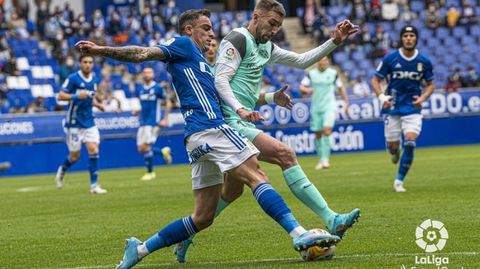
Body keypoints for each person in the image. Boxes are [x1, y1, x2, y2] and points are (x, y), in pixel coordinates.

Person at [76, 9, 340, 269]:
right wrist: (100, 50)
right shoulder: (182, 45)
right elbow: (143, 53)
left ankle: (140, 249)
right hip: (211, 128)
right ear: (189, 29)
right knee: (257, 175)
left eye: (212, 29)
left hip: (197, 139)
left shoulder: (202, 64)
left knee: (202, 218)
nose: (212, 34)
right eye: (206, 28)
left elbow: (227, 92)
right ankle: (298, 233)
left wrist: (267, 98)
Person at [175, 0, 360, 263]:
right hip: (228, 122)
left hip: (240, 120)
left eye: (278, 26)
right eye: (271, 23)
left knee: (232, 192)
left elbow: (302, 60)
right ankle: (331, 218)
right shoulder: (238, 39)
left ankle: (187, 234)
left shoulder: (265, 47)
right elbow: (221, 81)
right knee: (285, 154)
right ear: (256, 16)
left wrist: (334, 41)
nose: (274, 30)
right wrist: (240, 110)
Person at [371, 25, 434, 192]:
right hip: (392, 107)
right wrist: (382, 97)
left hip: (412, 108)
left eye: (411, 35)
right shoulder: (391, 58)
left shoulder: (424, 61)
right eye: (405, 35)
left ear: (416, 38)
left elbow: (430, 85)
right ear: (401, 38)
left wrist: (423, 98)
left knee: (411, 142)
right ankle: (393, 151)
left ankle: (399, 181)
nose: (408, 38)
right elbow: (375, 80)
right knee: (394, 147)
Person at [55, 55, 107, 194]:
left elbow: (89, 97)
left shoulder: (94, 79)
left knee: (94, 150)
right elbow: (60, 96)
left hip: (89, 121)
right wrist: (76, 96)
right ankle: (63, 169)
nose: (88, 65)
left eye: (90, 62)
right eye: (85, 62)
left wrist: (98, 104)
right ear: (80, 64)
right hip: (74, 123)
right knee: (74, 157)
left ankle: (94, 186)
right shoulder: (73, 78)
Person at [299, 57, 349, 170]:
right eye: (320, 60)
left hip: (329, 106)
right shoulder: (311, 74)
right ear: (317, 62)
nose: (323, 62)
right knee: (318, 134)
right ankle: (321, 160)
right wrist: (307, 90)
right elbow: (302, 87)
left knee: (327, 130)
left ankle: (325, 160)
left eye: (325, 60)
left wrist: (346, 103)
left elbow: (341, 89)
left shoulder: (333, 73)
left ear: (327, 62)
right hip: (316, 107)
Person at [133, 67, 172, 181]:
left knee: (146, 147)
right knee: (141, 148)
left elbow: (168, 102)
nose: (146, 74)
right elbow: (146, 106)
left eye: (149, 72)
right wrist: (138, 110)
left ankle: (150, 173)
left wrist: (165, 119)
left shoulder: (157, 88)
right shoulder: (140, 89)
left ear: (153, 74)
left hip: (153, 122)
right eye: (144, 72)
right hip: (143, 122)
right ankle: (163, 152)